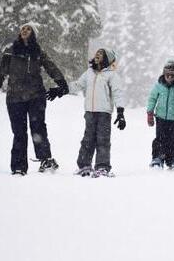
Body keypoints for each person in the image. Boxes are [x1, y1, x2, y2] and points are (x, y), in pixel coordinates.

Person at [0, 22, 67, 175]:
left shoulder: (37, 52)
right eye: (23, 28)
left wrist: (61, 83)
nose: (24, 30)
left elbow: (51, 66)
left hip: (36, 95)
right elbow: (0, 72)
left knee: (38, 128)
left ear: (33, 33)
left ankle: (45, 160)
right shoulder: (10, 51)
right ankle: (18, 167)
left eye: (28, 29)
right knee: (19, 132)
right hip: (14, 98)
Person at [50, 47, 126, 177]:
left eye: (101, 54)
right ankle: (84, 165)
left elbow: (118, 94)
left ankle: (102, 167)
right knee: (88, 140)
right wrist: (62, 90)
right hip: (89, 113)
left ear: (107, 58)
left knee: (102, 140)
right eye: (97, 52)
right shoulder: (89, 72)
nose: (97, 54)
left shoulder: (111, 75)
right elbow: (78, 85)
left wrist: (120, 112)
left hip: (104, 113)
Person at [146, 59, 174, 169]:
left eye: (172, 75)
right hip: (160, 117)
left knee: (172, 140)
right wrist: (150, 113)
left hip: (173, 118)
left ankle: (172, 160)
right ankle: (158, 158)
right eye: (167, 75)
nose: (170, 77)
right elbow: (152, 98)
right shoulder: (159, 86)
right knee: (160, 138)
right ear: (164, 74)